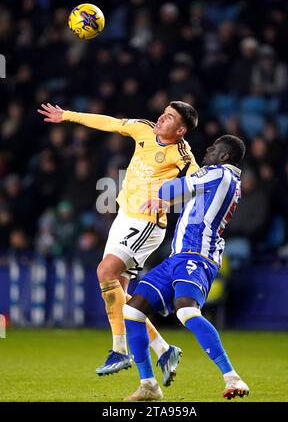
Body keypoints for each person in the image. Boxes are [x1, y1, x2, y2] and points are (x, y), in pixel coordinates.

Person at [37, 101, 199, 383]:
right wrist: (67, 116)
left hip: (147, 223)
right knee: (118, 296)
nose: (162, 117)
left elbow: (197, 184)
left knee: (104, 272)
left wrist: (166, 198)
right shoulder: (144, 129)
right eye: (164, 112)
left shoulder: (182, 154)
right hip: (124, 217)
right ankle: (163, 349)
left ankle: (119, 350)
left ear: (181, 130)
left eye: (170, 117)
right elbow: (110, 122)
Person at [123, 135, 250, 401]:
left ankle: (232, 377)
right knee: (133, 311)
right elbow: (181, 198)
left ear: (224, 156)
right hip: (177, 257)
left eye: (214, 148)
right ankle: (149, 385)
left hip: (198, 256)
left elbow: (170, 190)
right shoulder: (215, 179)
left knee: (186, 310)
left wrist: (155, 185)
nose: (208, 149)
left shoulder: (222, 174)